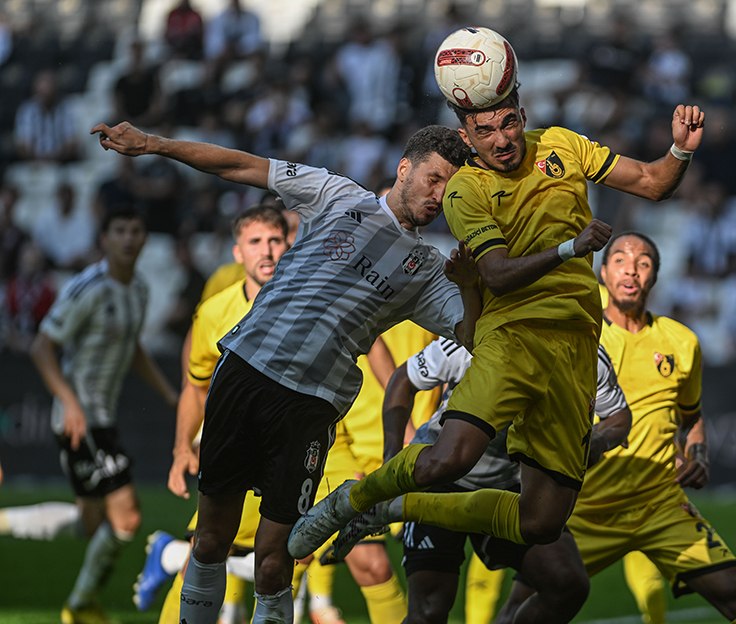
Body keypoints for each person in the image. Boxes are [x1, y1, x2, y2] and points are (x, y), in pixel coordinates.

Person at [293, 73, 704, 598]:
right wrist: (569, 250)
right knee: (450, 458)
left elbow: (652, 181)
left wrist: (679, 151)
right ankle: (354, 501)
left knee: (541, 524)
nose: (501, 138)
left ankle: (395, 506)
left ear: (523, 118)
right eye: (485, 130)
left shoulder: (564, 146)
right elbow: (497, 275)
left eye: (509, 122)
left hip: (576, 349)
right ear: (467, 138)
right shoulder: (467, 188)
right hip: (511, 335)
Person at [89, 119, 482, 624]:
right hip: (246, 372)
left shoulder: (430, 268)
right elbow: (241, 164)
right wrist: (152, 144)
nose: (440, 194)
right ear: (404, 168)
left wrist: (471, 285)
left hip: (310, 406)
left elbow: (472, 335)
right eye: (434, 178)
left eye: (451, 188)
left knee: (277, 562)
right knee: (210, 539)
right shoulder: (338, 193)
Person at [497, 232, 736, 624]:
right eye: (621, 261)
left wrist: (698, 452)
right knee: (520, 608)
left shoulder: (682, 342)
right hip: (581, 510)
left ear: (655, 276)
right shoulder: (577, 333)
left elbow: (691, 415)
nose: (632, 269)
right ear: (603, 273)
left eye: (643, 262)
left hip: (658, 504)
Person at [374, 336, 632, 624]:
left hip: (510, 487)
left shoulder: (587, 353)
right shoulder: (478, 335)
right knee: (429, 610)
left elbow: (619, 416)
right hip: (439, 480)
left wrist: (595, 444)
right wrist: (391, 462)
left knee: (566, 584)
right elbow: (403, 378)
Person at [131, 205, 289, 622]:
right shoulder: (214, 311)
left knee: (279, 556)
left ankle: (169, 555)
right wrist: (183, 446)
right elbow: (195, 386)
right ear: (237, 252)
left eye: (274, 240)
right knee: (216, 548)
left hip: (293, 444)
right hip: (234, 445)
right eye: (255, 242)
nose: (267, 251)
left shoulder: (306, 303)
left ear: (288, 244)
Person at [26, 206, 178, 624]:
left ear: (145, 238)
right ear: (104, 239)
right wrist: (70, 402)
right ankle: (79, 605)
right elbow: (42, 347)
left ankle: (11, 528)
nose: (129, 238)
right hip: (80, 417)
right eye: (120, 231)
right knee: (127, 515)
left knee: (92, 524)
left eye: (136, 230)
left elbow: (132, 347)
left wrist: (167, 393)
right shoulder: (86, 287)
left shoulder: (140, 290)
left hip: (102, 417)